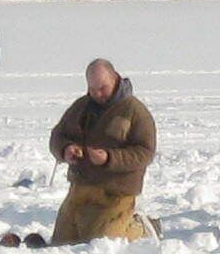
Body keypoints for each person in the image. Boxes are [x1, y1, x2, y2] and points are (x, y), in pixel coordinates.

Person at [45, 59, 158, 243]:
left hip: (116, 192)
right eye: (92, 89)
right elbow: (58, 135)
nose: (98, 94)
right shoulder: (81, 106)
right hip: (81, 189)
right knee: (62, 243)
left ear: (115, 79)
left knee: (103, 241)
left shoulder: (135, 111)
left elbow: (145, 152)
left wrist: (109, 159)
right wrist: (66, 149)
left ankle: (141, 228)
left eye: (103, 88)